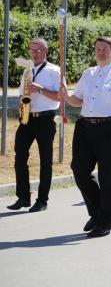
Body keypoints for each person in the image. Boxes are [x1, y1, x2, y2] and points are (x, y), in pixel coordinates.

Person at [59, 36, 111, 238]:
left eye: (105, 49)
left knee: (109, 177)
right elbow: (78, 101)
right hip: (85, 127)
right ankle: (96, 213)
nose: (101, 52)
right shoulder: (88, 73)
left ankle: (104, 223)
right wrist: (66, 97)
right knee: (79, 169)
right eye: (98, 49)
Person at [8, 38, 63, 212]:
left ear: (45, 51)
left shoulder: (55, 71)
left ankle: (42, 200)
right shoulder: (28, 70)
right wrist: (20, 103)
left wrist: (39, 89)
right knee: (19, 157)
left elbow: (60, 97)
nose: (33, 54)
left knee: (45, 160)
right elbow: (21, 93)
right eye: (31, 50)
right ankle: (23, 197)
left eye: (37, 50)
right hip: (27, 118)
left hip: (46, 119)